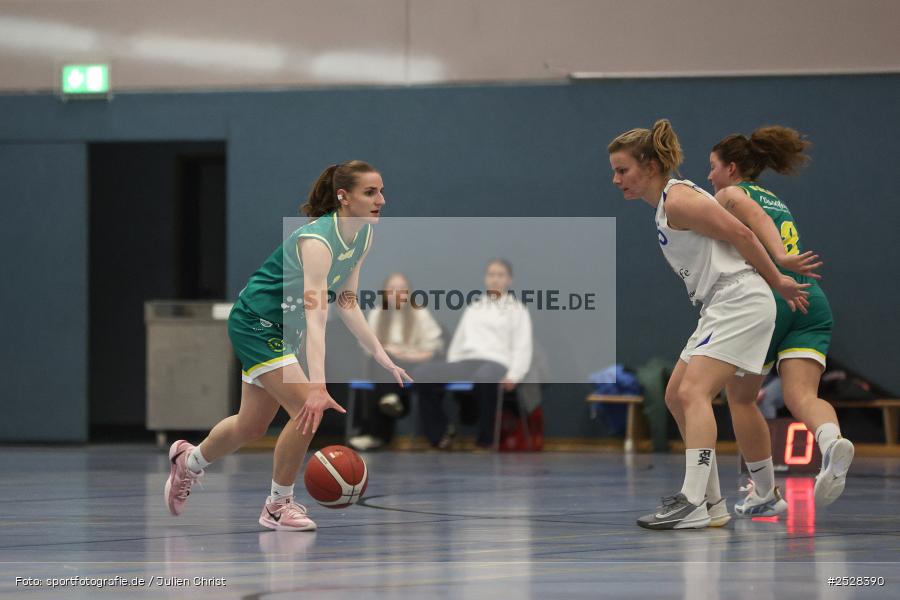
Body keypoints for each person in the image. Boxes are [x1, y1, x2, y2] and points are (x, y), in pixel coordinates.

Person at [163, 160, 411, 532]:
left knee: (251, 426)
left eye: (381, 191)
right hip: (257, 322)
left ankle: (189, 461)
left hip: (285, 327)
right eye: (370, 192)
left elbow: (346, 301)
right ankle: (277, 506)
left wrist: (378, 351)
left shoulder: (363, 235)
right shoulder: (317, 241)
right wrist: (317, 386)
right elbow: (316, 317)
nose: (382, 200)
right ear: (344, 197)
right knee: (305, 411)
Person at [607, 119, 810, 530]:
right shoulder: (667, 206)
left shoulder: (679, 198)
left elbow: (742, 233)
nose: (616, 180)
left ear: (648, 165)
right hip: (720, 304)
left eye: (622, 170)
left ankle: (693, 498)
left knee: (693, 391)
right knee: (674, 396)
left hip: (741, 298)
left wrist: (779, 280)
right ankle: (713, 504)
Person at [707, 126, 854, 513]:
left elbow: (751, 215)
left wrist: (781, 259)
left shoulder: (730, 194)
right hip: (810, 300)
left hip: (771, 295)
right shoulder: (775, 198)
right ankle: (830, 441)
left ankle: (764, 493)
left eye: (713, 167)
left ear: (732, 168)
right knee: (802, 396)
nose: (710, 176)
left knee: (739, 398)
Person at [416, 259, 532, 450]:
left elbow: (522, 346)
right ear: (485, 279)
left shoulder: (517, 310)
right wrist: (452, 369)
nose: (495, 279)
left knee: (484, 377)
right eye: (491, 275)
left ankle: (485, 441)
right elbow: (458, 343)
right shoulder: (474, 308)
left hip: (497, 362)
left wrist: (514, 375)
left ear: (509, 280)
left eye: (500, 275)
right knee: (423, 374)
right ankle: (441, 435)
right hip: (467, 361)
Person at [349, 272, 443, 451]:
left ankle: (376, 434)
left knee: (387, 363)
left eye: (401, 289)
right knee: (380, 357)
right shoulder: (378, 313)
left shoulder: (419, 313)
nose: (396, 293)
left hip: (412, 363)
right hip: (384, 366)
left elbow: (433, 348)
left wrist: (406, 356)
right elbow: (367, 344)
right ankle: (391, 399)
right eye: (392, 289)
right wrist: (388, 353)